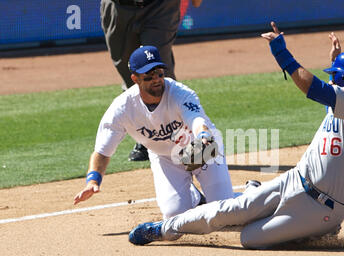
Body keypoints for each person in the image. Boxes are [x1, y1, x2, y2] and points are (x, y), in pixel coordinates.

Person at [128, 22, 344, 249]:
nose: (332, 79)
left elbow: (316, 89)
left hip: (320, 208)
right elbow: (332, 95)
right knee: (226, 210)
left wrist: (283, 55)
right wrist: (337, 60)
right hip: (293, 181)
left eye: (335, 74)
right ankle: (161, 229)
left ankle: (315, 228)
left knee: (250, 237)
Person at [73, 45, 235, 219]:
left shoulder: (181, 94)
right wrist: (93, 181)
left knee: (224, 212)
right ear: (135, 78)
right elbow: (103, 152)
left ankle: (251, 191)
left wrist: (203, 135)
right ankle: (194, 198)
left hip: (200, 149)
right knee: (174, 216)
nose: (156, 79)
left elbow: (196, 120)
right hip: (165, 158)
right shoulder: (123, 108)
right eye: (149, 76)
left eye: (159, 73)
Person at [100, 0, 203, 161]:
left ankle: (183, 137)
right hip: (118, 7)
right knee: (130, 73)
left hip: (160, 6)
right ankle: (147, 134)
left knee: (157, 70)